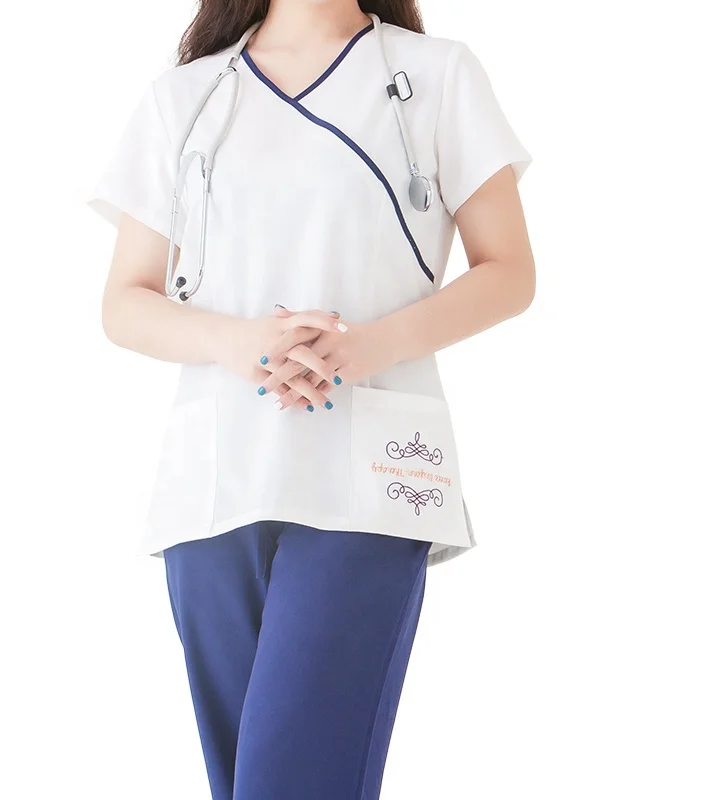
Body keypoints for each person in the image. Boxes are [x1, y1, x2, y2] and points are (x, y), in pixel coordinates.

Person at [87, 1, 535, 797]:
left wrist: (368, 346)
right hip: (215, 490)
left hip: (371, 478)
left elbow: (509, 272)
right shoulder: (185, 97)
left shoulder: (433, 76)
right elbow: (125, 301)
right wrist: (233, 341)